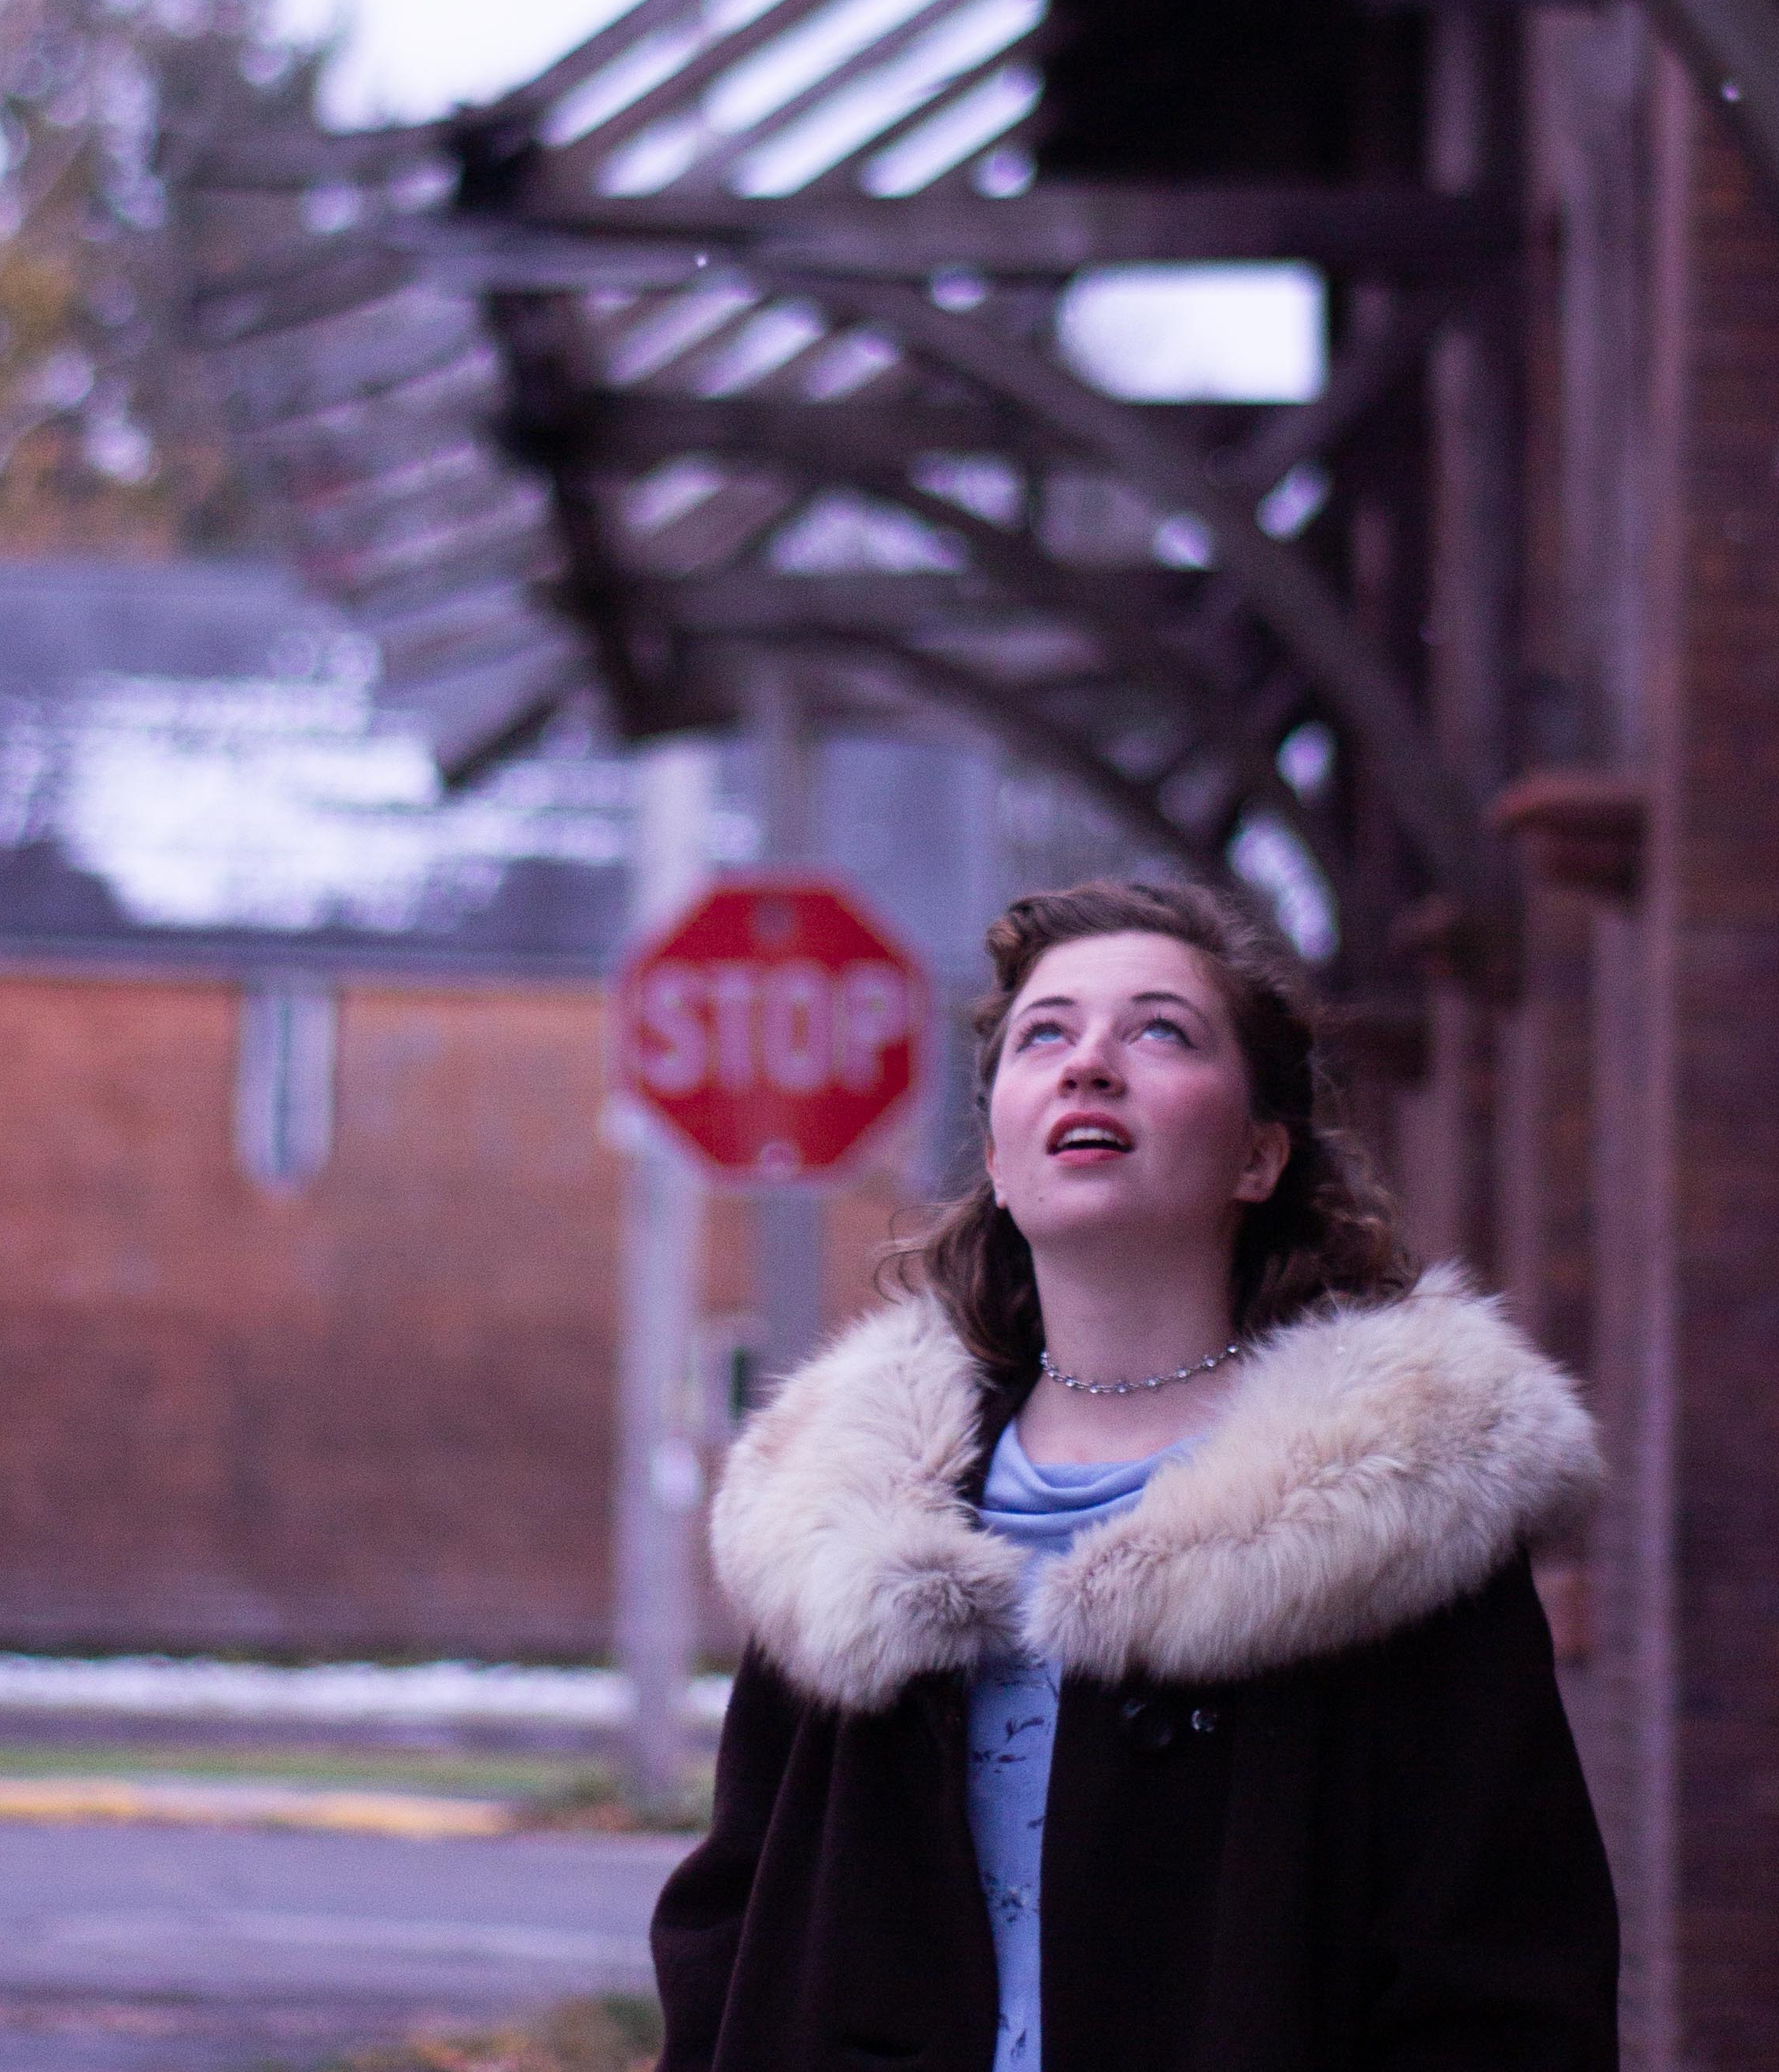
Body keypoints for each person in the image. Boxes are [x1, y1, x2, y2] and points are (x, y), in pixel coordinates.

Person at [652, 878, 1618, 2072]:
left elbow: (1508, 1977)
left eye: (1161, 1031)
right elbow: (732, 1925)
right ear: (999, 1155)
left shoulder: (1394, 1509)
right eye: (1044, 1035)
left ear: (1260, 1155)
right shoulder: (847, 1512)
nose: (1090, 1065)